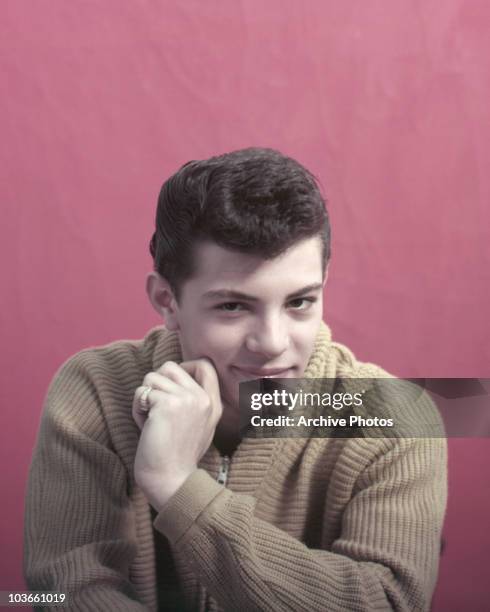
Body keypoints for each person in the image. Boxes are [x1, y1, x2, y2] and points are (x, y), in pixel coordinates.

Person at [24, 147, 447, 611]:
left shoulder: (397, 415)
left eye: (300, 302)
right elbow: (59, 592)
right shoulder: (95, 389)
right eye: (232, 306)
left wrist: (178, 486)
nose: (272, 342)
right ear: (167, 300)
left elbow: (386, 604)